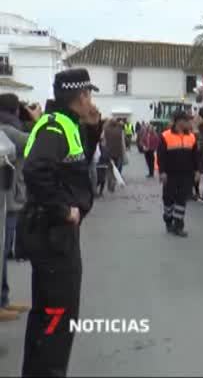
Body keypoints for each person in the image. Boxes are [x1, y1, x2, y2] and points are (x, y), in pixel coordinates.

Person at [18, 68, 101, 377]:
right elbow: (35, 170)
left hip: (55, 236)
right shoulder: (55, 128)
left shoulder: (65, 124)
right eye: (89, 94)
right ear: (80, 96)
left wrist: (92, 130)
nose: (91, 100)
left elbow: (75, 169)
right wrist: (63, 210)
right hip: (54, 235)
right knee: (56, 319)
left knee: (48, 317)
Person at [0, 94, 39, 322]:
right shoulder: (8, 130)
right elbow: (37, 141)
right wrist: (36, 120)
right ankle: (1, 302)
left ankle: (4, 300)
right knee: (3, 251)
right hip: (8, 199)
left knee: (4, 252)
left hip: (10, 197)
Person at [158, 110, 200, 237]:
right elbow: (161, 156)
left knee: (181, 200)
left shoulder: (192, 137)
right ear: (179, 122)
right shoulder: (165, 136)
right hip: (170, 174)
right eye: (186, 120)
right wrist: (162, 172)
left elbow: (195, 156)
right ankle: (168, 218)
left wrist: (197, 171)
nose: (189, 123)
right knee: (168, 199)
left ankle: (178, 225)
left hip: (186, 174)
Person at [102, 117, 125, 193]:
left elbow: (103, 141)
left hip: (108, 153)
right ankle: (113, 184)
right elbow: (122, 142)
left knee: (109, 170)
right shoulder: (120, 130)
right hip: (118, 153)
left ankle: (109, 184)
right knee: (116, 170)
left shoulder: (106, 130)